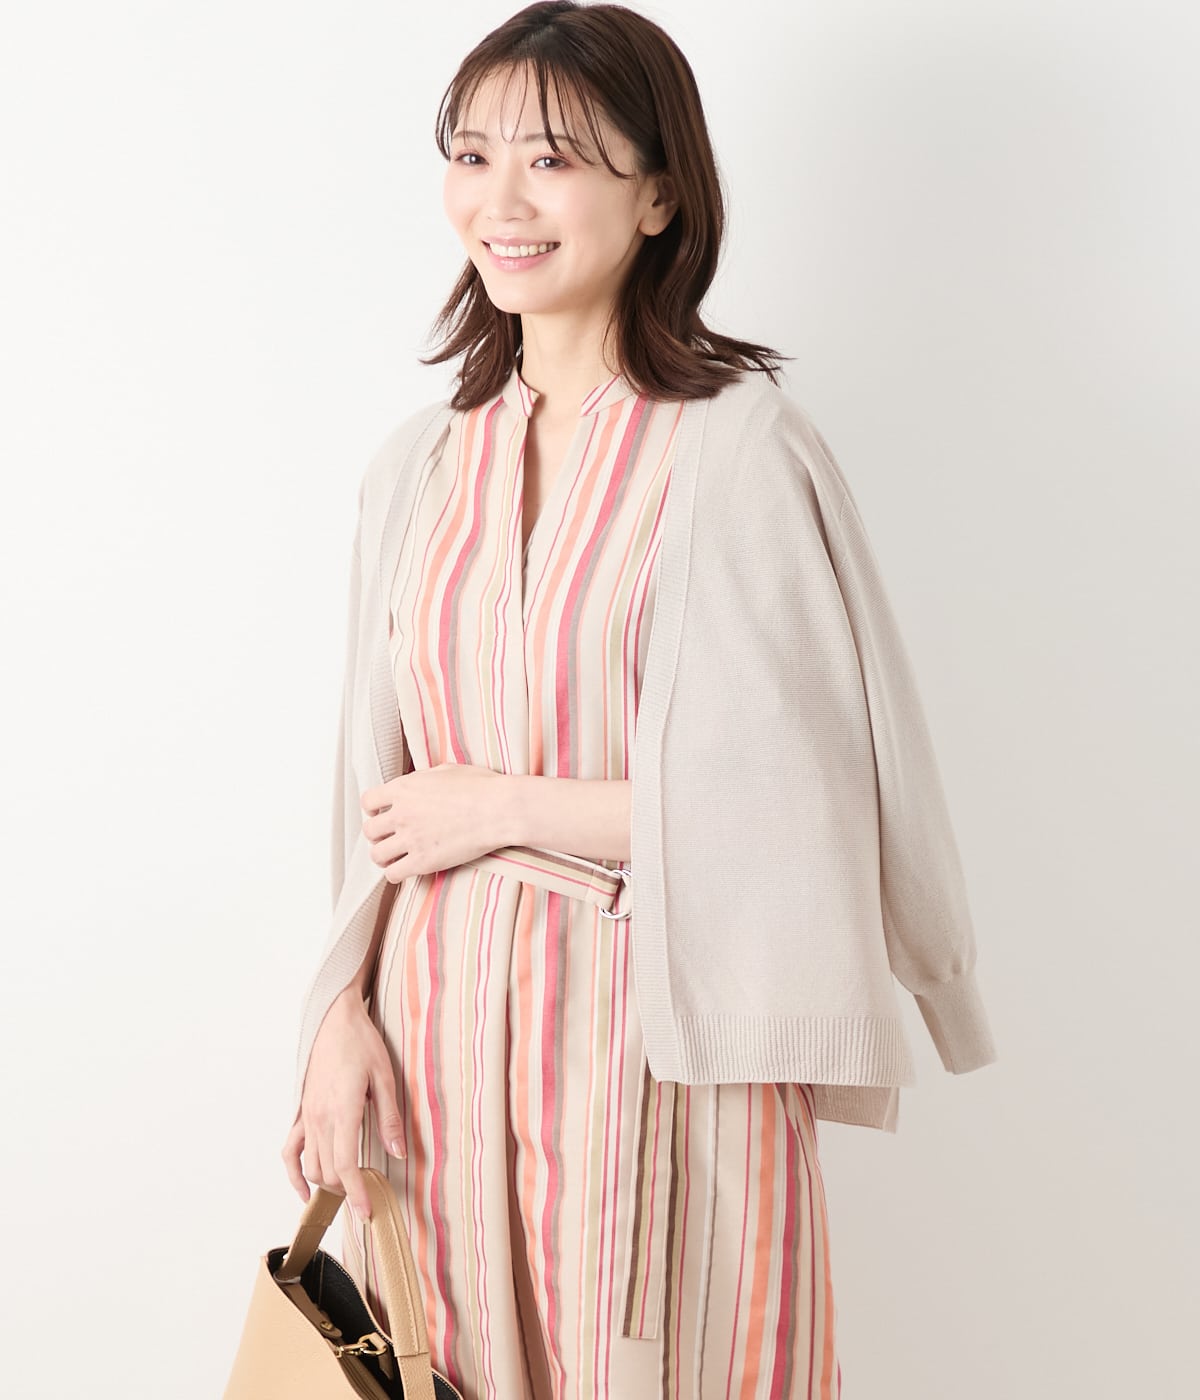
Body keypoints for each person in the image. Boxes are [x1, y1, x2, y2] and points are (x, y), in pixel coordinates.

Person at [281, 4, 997, 1396]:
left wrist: (500, 807)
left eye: (552, 159)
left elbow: (809, 806)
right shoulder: (418, 465)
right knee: (444, 1366)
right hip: (433, 1047)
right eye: (472, 155)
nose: (501, 200)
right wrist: (333, 1016)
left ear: (659, 194)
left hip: (660, 1041)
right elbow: (371, 789)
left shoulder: (738, 451)